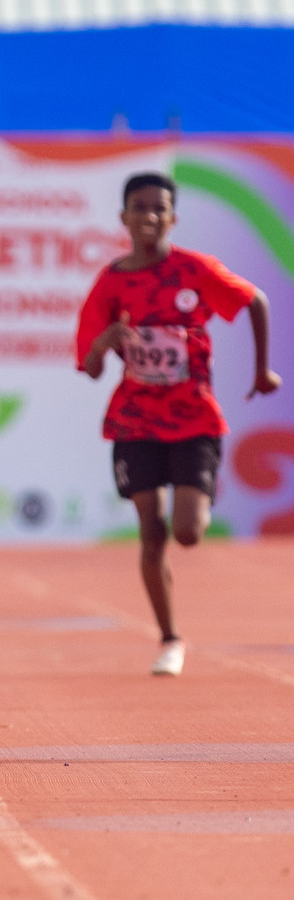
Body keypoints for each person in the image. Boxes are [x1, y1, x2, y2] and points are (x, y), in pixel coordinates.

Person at [76, 171, 280, 677]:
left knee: (187, 533)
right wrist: (106, 341)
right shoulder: (111, 283)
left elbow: (255, 300)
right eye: (138, 207)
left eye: (158, 207)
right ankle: (169, 639)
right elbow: (91, 365)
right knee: (151, 532)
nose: (148, 216)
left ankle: (199, 494)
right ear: (123, 217)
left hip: (193, 418)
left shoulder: (193, 270)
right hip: (135, 421)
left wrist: (261, 370)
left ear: (172, 217)